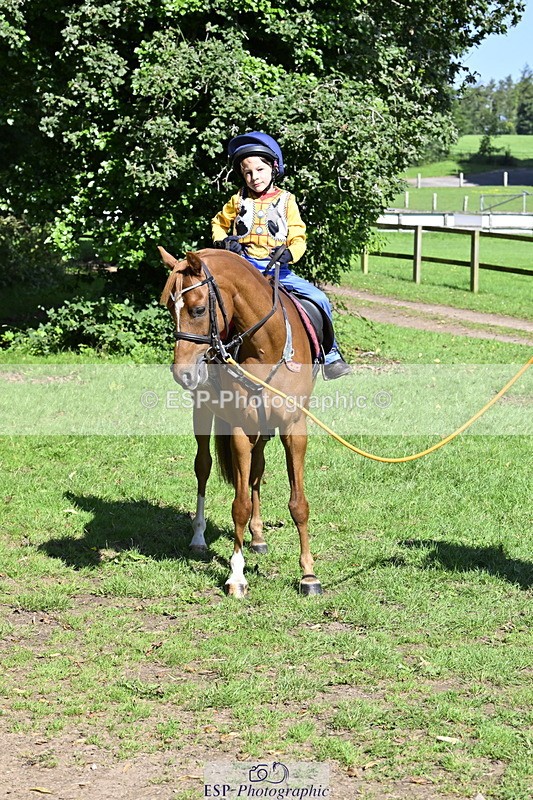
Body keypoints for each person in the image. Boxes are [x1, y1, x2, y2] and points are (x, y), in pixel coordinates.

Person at [211, 131, 352, 380]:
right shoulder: (237, 200)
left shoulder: (287, 201)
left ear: (273, 168)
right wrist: (222, 242)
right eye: (248, 172)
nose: (254, 177)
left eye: (260, 170)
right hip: (244, 268)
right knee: (217, 304)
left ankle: (330, 357)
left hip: (278, 270)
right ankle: (211, 358)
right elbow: (218, 223)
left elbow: (298, 237)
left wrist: (290, 253)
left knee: (319, 299)